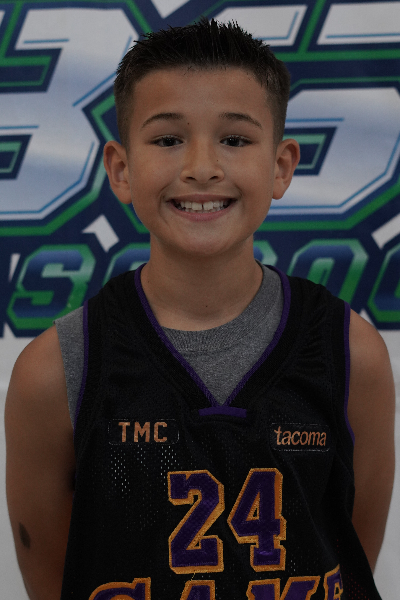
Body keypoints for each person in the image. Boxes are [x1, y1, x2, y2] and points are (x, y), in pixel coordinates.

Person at [5, 18, 395, 600]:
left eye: (235, 139)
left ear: (282, 166)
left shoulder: (351, 354)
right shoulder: (57, 372)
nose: (202, 167)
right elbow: (56, 581)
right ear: (121, 169)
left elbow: (351, 553)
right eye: (168, 140)